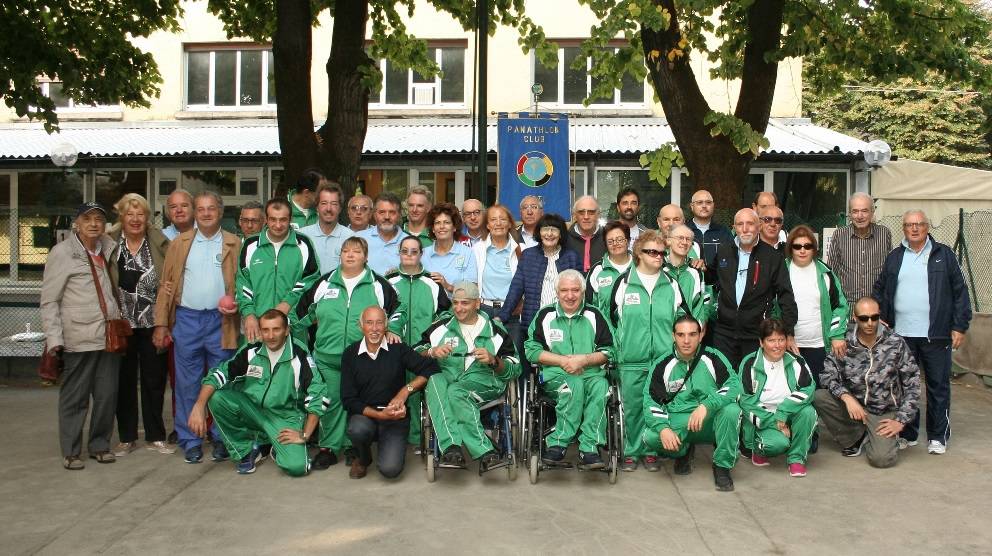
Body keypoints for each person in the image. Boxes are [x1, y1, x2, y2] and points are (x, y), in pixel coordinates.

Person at [294, 236, 400, 469]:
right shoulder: (324, 283)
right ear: (340, 255)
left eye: (356, 251)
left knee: (357, 403)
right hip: (327, 358)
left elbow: (396, 312)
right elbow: (300, 315)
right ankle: (329, 448)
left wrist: (393, 330)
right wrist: (290, 339)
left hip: (364, 359)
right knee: (329, 402)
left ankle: (355, 448)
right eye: (346, 251)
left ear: (366, 257)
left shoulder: (379, 285)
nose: (350, 255)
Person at [153, 191, 241, 464]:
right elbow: (166, 287)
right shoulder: (179, 244)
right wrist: (162, 323)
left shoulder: (234, 243)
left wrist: (237, 304)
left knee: (222, 382)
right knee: (187, 383)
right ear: (195, 212)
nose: (205, 213)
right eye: (200, 209)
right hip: (188, 319)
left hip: (221, 321)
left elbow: (243, 283)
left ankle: (220, 437)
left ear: (220, 211)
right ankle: (190, 439)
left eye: (211, 208)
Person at [872, 209, 971, 454]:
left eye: (919, 224)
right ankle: (908, 433)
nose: (914, 229)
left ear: (927, 227)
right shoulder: (895, 257)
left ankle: (938, 436)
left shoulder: (944, 255)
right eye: (909, 225)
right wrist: (879, 317)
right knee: (905, 386)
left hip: (935, 334)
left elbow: (960, 292)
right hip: (902, 335)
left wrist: (959, 326)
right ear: (903, 229)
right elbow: (881, 288)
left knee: (937, 386)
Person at [189, 309, 327, 476]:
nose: (271, 335)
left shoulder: (299, 355)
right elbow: (218, 374)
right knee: (216, 398)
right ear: (260, 331)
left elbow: (318, 395)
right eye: (266, 330)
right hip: (252, 410)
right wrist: (199, 405)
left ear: (287, 330)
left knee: (297, 467)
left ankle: (277, 447)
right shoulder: (251, 350)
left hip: (284, 416)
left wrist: (304, 434)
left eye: (276, 329)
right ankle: (247, 451)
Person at [42, 202, 122, 469]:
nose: (93, 224)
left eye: (99, 219)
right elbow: (49, 300)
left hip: (109, 335)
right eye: (87, 219)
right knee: (75, 398)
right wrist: (54, 339)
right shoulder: (63, 253)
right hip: (78, 335)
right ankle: (71, 451)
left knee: (107, 394)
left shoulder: (108, 248)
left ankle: (100, 445)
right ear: (76, 222)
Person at [417, 282, 521, 468]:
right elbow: (415, 351)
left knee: (456, 392)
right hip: (449, 377)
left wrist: (494, 360)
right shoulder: (441, 327)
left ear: (477, 303)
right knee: (434, 380)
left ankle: (483, 449)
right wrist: (432, 351)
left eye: (465, 303)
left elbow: (515, 368)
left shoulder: (495, 332)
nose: (458, 308)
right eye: (455, 303)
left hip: (484, 382)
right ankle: (452, 447)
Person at [609, 229, 686, 472]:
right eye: (651, 251)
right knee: (631, 408)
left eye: (662, 252)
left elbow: (683, 318)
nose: (658, 256)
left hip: (662, 361)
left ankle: (651, 450)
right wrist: (619, 349)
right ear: (638, 253)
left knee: (657, 407)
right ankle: (631, 452)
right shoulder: (623, 283)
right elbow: (610, 320)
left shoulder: (671, 283)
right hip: (631, 360)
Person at [816, 297, 921, 468]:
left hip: (883, 410)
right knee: (819, 397)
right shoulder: (845, 342)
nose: (870, 323)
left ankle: (882, 438)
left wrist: (900, 421)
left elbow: (913, 383)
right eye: (864, 318)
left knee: (881, 460)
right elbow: (827, 375)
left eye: (874, 317)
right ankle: (856, 437)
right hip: (855, 407)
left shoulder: (895, 343)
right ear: (855, 318)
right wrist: (846, 398)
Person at [525, 270, 614, 469]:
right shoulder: (545, 315)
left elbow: (609, 352)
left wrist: (584, 360)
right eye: (564, 290)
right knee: (572, 383)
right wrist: (563, 361)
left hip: (591, 374)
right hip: (556, 376)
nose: (570, 295)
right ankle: (558, 442)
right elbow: (531, 351)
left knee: (602, 387)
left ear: (583, 292)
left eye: (575, 290)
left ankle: (590, 447)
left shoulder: (595, 315)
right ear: (556, 292)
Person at [107, 194, 173, 457]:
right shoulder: (109, 243)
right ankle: (126, 437)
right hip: (121, 324)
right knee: (123, 381)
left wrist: (163, 321)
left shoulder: (158, 242)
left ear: (148, 217)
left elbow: (170, 278)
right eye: (129, 214)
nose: (135, 219)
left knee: (154, 380)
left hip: (152, 322)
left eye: (140, 214)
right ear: (121, 217)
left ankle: (156, 435)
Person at [642, 316, 741, 491]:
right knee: (651, 436)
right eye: (681, 335)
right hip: (680, 420)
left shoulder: (713, 356)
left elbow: (734, 385)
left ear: (700, 335)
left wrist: (707, 405)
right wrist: (663, 428)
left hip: (708, 420)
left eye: (692, 334)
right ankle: (683, 451)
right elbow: (651, 402)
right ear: (673, 336)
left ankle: (722, 466)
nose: (686, 341)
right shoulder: (662, 364)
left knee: (731, 410)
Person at [342, 306, 439, 479]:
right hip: (366, 415)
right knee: (357, 429)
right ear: (360, 326)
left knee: (390, 470)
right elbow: (348, 400)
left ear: (386, 325)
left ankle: (387, 445)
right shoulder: (350, 353)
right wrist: (381, 415)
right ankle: (363, 459)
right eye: (369, 323)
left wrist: (405, 391)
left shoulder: (398, 349)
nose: (374, 328)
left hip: (396, 417)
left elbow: (431, 367)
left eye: (379, 323)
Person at [709, 208, 797, 368]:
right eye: (740, 224)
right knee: (724, 383)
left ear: (759, 226)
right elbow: (709, 278)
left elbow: (786, 296)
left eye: (750, 224)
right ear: (734, 227)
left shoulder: (772, 257)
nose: (745, 228)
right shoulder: (723, 251)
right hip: (724, 334)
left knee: (751, 384)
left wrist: (788, 332)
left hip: (755, 335)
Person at [386, 236, 451, 450]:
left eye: (414, 251)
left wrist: (433, 336)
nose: (409, 255)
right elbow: (380, 312)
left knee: (416, 390)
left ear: (421, 254)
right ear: (399, 253)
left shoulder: (432, 283)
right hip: (395, 347)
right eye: (405, 251)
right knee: (394, 388)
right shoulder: (389, 282)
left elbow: (445, 314)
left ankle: (416, 439)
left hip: (423, 349)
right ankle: (392, 437)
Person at [739, 319, 817, 478]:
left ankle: (796, 459)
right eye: (771, 340)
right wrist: (776, 423)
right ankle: (757, 449)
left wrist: (782, 412)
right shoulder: (749, 363)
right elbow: (746, 402)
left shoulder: (797, 361)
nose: (777, 345)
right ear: (761, 342)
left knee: (808, 412)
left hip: (788, 414)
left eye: (781, 340)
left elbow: (809, 389)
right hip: (763, 418)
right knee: (778, 444)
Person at [237, 198, 321, 344]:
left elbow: (311, 281)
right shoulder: (251, 245)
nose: (277, 225)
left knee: (292, 365)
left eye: (283, 220)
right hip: (257, 325)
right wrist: (249, 314)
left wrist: (287, 304)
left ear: (290, 219)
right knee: (257, 366)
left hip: (293, 324)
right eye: (273, 219)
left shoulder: (303, 244)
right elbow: (243, 283)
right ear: (266, 220)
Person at [783, 225, 848, 387]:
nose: (802, 250)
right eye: (797, 246)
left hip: (819, 345)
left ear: (814, 248)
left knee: (818, 392)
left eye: (808, 246)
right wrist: (782, 335)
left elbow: (840, 306)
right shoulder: (781, 271)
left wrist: (837, 335)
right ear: (790, 248)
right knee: (792, 390)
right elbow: (773, 308)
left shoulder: (825, 273)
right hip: (788, 345)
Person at [498, 214, 582, 336]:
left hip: (565, 322)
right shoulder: (528, 255)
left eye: (554, 229)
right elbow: (516, 288)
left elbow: (580, 291)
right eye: (545, 229)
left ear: (561, 234)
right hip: (534, 322)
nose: (549, 234)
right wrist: (502, 316)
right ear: (539, 232)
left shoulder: (571, 257)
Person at [826, 192, 893, 305]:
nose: (860, 216)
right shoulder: (839, 235)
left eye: (864, 211)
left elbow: (889, 270)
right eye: (855, 211)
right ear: (850, 214)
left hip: (876, 308)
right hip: (847, 308)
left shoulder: (884, 234)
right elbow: (831, 273)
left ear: (872, 212)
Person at [474, 204, 521, 313]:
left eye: (503, 219)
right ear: (487, 225)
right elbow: (472, 280)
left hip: (512, 310)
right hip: (484, 309)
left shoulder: (520, 250)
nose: (498, 223)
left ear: (509, 224)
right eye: (493, 219)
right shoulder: (478, 249)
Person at [422, 203, 477, 295]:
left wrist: (447, 286)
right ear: (433, 229)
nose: (442, 226)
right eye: (437, 223)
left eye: (446, 222)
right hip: (428, 307)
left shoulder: (467, 253)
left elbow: (472, 290)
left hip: (458, 308)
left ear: (454, 227)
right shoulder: (422, 254)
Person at [299, 182, 354, 275]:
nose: (329, 208)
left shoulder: (350, 238)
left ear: (340, 208)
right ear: (317, 207)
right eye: (324, 203)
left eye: (334, 204)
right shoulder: (302, 236)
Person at [664, 224, 714, 325]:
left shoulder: (696, 270)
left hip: (688, 335)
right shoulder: (659, 269)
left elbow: (703, 302)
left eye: (688, 239)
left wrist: (699, 325)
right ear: (669, 240)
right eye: (680, 238)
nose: (684, 242)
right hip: (663, 333)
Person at [585, 221, 632, 315]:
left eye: (619, 240)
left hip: (635, 328)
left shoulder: (641, 266)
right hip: (606, 329)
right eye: (610, 241)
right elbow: (589, 306)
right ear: (605, 245)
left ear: (628, 241)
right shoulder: (598, 270)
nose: (615, 244)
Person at [357, 192, 408, 275]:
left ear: (399, 215)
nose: (387, 217)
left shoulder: (410, 242)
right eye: (382, 212)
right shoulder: (359, 239)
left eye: (392, 212)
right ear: (374, 214)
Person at [686, 189, 734, 269]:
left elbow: (731, 260)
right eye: (699, 202)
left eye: (708, 202)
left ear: (713, 205)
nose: (704, 206)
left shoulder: (723, 232)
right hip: (689, 279)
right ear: (692, 206)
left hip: (716, 280)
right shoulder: (684, 230)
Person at [566, 196, 606, 272]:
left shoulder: (607, 238)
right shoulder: (564, 239)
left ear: (598, 215)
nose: (586, 217)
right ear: (574, 215)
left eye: (591, 212)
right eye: (581, 212)